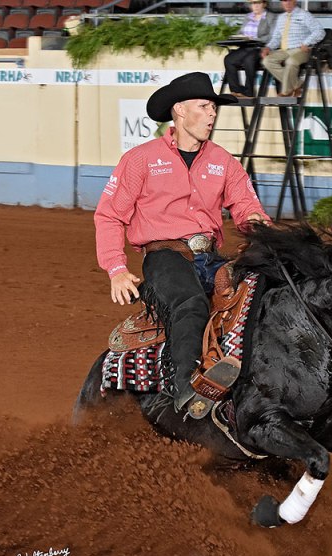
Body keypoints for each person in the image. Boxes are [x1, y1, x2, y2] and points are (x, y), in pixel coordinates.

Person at [94, 72, 271, 415]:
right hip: (164, 257)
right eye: (204, 107)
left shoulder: (223, 161)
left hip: (210, 258)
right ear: (179, 111)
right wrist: (116, 269)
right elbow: (109, 216)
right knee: (190, 304)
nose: (212, 114)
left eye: (213, 108)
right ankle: (185, 392)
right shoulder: (140, 159)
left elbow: (247, 209)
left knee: (260, 293)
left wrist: (264, 230)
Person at [261, 0, 325, 97]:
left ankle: (286, 92)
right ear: (282, 3)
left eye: (289, 1)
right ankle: (297, 84)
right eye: (284, 1)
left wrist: (306, 42)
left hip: (301, 49)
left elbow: (320, 31)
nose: (287, 3)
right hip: (284, 49)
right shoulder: (281, 18)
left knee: (291, 61)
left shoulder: (304, 15)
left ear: (294, 1)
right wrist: (268, 47)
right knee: (267, 61)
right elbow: (277, 38)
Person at [223, 0, 276, 98]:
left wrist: (256, 39)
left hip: (260, 48)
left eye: (258, 3)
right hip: (246, 47)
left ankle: (249, 92)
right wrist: (238, 37)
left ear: (264, 4)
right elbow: (241, 31)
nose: (255, 6)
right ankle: (236, 90)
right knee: (229, 59)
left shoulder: (270, 17)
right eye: (253, 3)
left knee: (249, 60)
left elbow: (272, 36)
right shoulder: (248, 17)